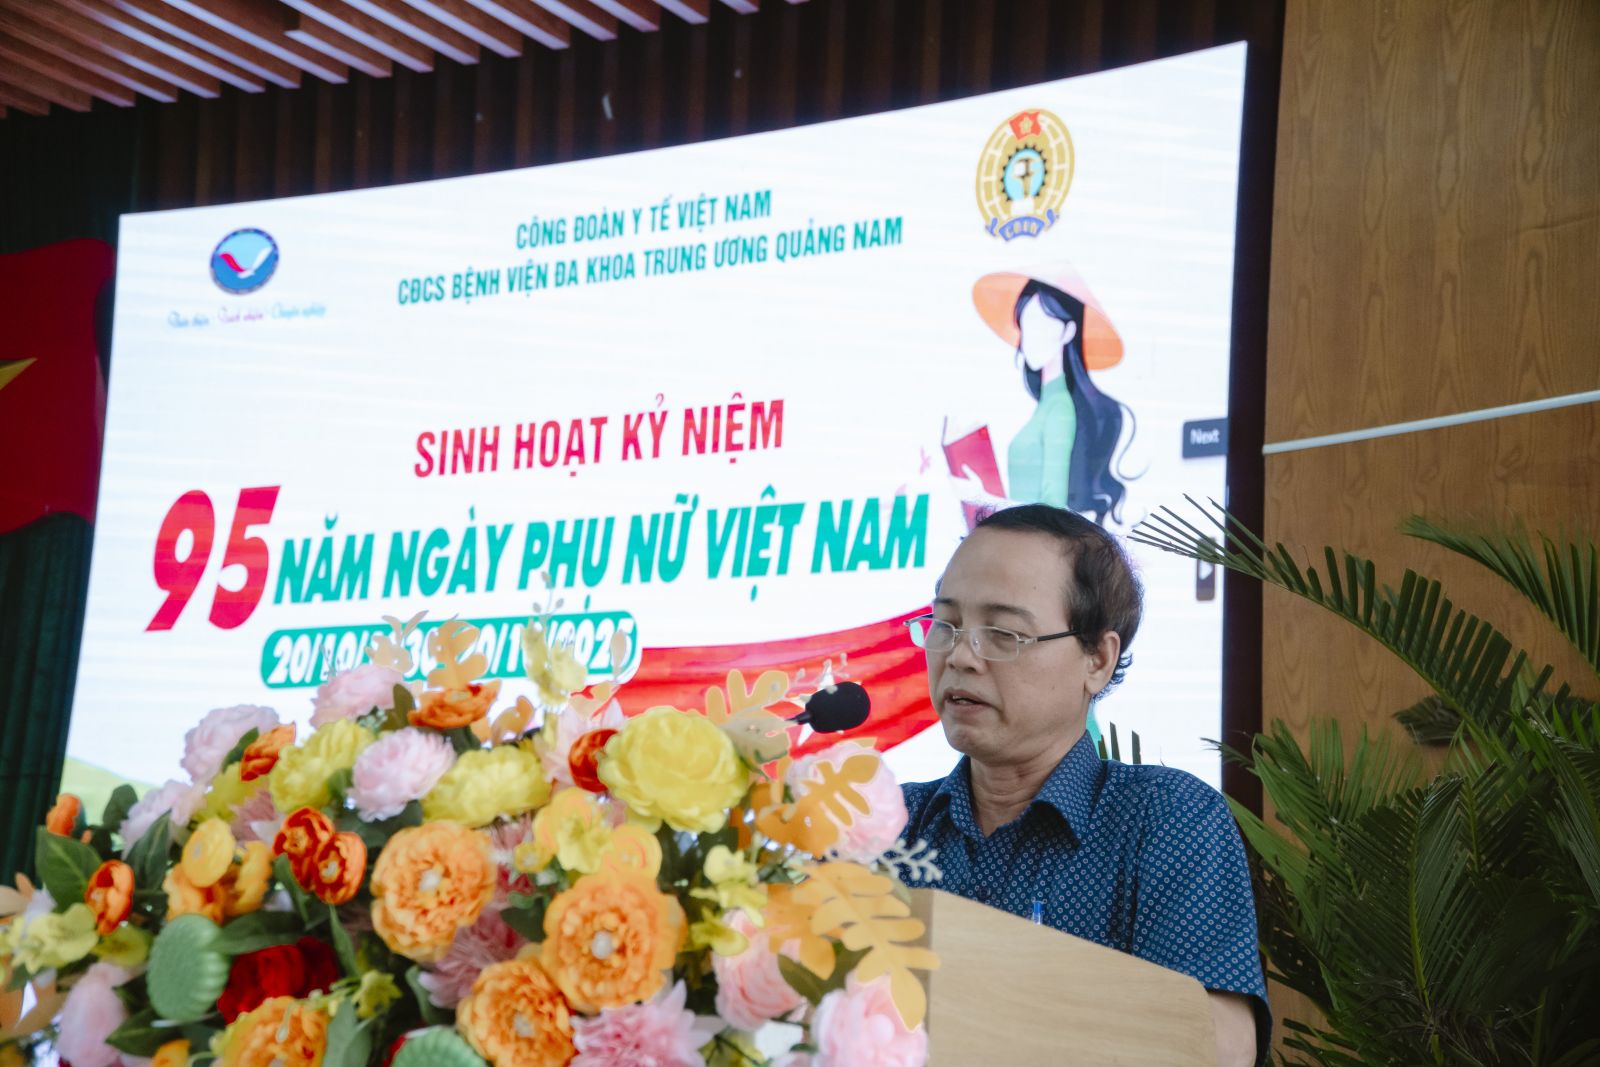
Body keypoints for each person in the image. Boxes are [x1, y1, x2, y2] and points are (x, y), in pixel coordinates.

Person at [900, 504, 1267, 1066]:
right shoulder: (884, 826)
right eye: (945, 624)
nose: (960, 656)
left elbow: (1218, 1048)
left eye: (1003, 633)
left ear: (1097, 658)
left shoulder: (1166, 819)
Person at [966, 266, 1139, 526]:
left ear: (1068, 331)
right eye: (1025, 324)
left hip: (1031, 545)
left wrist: (982, 497)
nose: (1029, 338)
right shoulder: (1048, 404)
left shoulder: (1059, 409)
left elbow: (1051, 508)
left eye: (1040, 324)